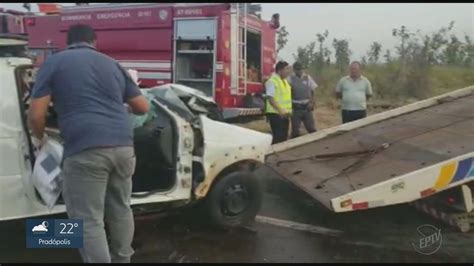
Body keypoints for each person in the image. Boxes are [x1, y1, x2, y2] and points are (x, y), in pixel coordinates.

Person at [27, 24, 149, 263]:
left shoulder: (54, 63)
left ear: (68, 42)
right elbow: (142, 107)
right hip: (124, 147)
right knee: (121, 208)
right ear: (95, 41)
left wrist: (39, 139)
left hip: (85, 149)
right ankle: (123, 259)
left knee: (87, 220)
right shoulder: (112, 64)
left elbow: (36, 115)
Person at [265, 61, 292, 144]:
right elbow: (270, 98)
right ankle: (272, 154)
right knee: (278, 137)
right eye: (286, 69)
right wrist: (280, 110)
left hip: (284, 114)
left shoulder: (285, 81)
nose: (288, 71)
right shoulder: (272, 81)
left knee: (284, 136)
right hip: (275, 113)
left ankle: (281, 155)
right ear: (280, 70)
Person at [288, 62, 318, 138]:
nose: (300, 71)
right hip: (296, 107)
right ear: (294, 70)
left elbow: (313, 90)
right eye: (297, 69)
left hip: (307, 107)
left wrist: (312, 102)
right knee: (295, 131)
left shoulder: (307, 78)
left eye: (301, 69)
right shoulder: (290, 79)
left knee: (311, 128)